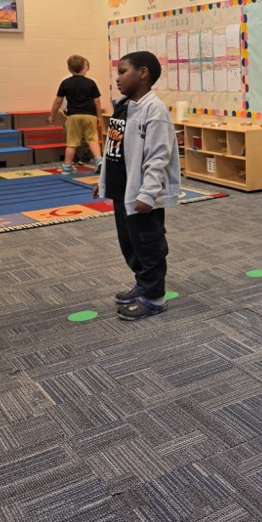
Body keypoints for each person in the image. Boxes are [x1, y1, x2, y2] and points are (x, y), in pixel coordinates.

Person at [95, 50, 181, 321]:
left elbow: (158, 157)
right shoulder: (123, 106)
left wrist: (148, 193)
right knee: (129, 243)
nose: (118, 78)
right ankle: (143, 283)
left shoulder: (154, 111)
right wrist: (104, 180)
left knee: (149, 244)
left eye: (123, 72)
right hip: (122, 191)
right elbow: (114, 148)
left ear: (142, 73)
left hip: (143, 196)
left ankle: (155, 297)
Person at [49, 55, 104, 174]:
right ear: (85, 68)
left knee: (72, 142)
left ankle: (67, 166)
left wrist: (52, 116)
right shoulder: (91, 83)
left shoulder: (66, 83)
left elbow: (58, 101)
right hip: (90, 115)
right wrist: (98, 115)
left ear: (69, 69)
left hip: (73, 115)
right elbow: (97, 101)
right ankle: (99, 161)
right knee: (93, 139)